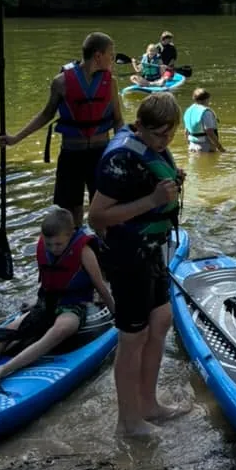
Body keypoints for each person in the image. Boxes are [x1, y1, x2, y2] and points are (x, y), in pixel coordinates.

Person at [88, 92, 188, 437]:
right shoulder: (120, 158)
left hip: (152, 251)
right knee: (133, 336)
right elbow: (96, 216)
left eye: (171, 134)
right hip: (127, 257)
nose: (166, 141)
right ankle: (127, 421)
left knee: (161, 320)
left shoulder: (152, 149)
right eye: (160, 134)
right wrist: (153, 199)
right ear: (140, 125)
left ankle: (148, 404)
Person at [0, 32, 122, 227]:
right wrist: (15, 139)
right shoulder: (61, 82)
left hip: (100, 154)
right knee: (72, 213)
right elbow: (45, 115)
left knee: (102, 212)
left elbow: (118, 121)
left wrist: (122, 153)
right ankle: (76, 248)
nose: (112, 59)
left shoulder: (110, 82)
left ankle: (102, 250)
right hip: (72, 156)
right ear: (98, 56)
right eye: (110, 55)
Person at [0, 206, 114, 391]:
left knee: (63, 328)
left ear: (71, 234)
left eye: (58, 245)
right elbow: (47, 282)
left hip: (73, 305)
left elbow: (100, 286)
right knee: (9, 330)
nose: (53, 249)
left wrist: (117, 314)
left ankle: (1, 371)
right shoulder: (45, 246)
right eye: (49, 245)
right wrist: (35, 303)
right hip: (46, 302)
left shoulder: (84, 251)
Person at [184, 88, 225, 153]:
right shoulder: (206, 112)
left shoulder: (188, 111)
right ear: (206, 99)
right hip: (205, 147)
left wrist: (189, 144)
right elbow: (209, 132)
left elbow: (186, 132)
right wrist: (220, 148)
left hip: (192, 146)